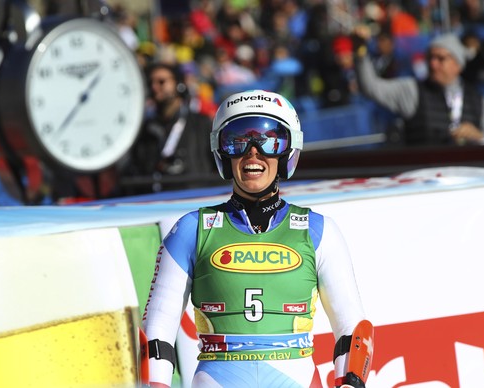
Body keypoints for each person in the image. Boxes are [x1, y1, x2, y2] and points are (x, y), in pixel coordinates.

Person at [142, 90, 374, 388]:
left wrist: (350, 383)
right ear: (222, 152)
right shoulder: (191, 229)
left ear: (288, 151)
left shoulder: (319, 230)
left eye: (269, 139)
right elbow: (157, 330)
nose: (253, 152)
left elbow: (352, 328)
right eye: (237, 140)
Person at [356, 32, 484, 146]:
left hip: (468, 176)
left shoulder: (478, 100)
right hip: (424, 178)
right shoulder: (412, 90)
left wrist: (479, 137)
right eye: (430, 58)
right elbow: (370, 87)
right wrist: (361, 51)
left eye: (441, 59)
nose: (433, 64)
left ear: (457, 65)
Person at [122, 62, 216, 195]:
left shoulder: (201, 123)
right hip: (156, 204)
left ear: (179, 85)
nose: (154, 87)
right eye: (151, 83)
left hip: (195, 201)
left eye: (161, 82)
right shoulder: (144, 130)